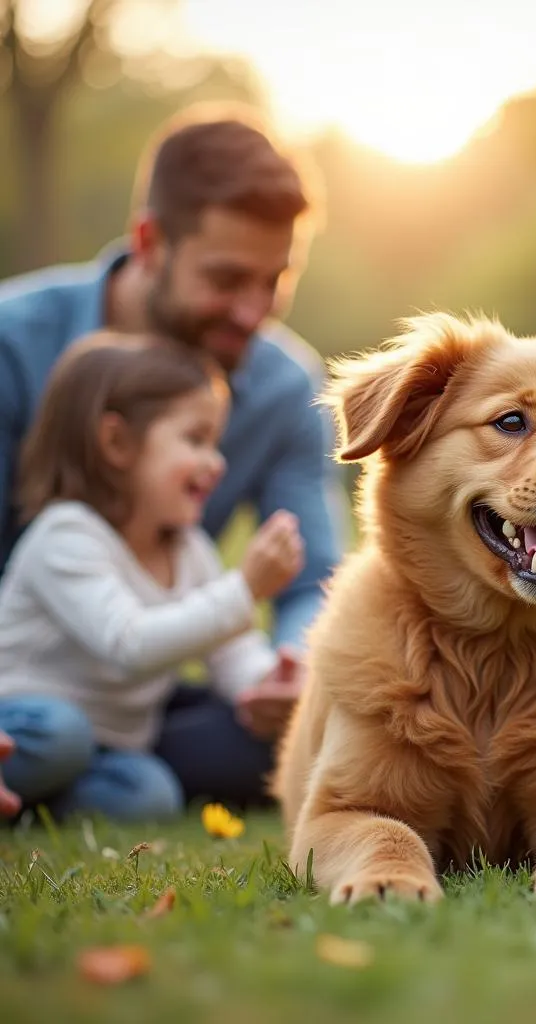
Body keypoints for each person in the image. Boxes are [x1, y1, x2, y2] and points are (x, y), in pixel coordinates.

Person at [0, 103, 342, 807]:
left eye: (276, 280)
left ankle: (82, 782)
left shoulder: (285, 385)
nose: (254, 312)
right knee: (53, 732)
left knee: (284, 738)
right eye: (226, 279)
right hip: (24, 687)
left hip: (136, 700)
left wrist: (290, 671)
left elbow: (312, 578)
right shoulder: (13, 342)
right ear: (150, 242)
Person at [0, 331, 304, 821]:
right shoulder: (66, 536)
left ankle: (31, 808)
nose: (217, 462)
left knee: (151, 795)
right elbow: (130, 646)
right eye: (196, 439)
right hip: (23, 723)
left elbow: (230, 651)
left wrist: (267, 682)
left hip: (109, 748)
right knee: (61, 735)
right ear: (116, 443)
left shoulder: (190, 549)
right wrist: (245, 588)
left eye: (217, 442)